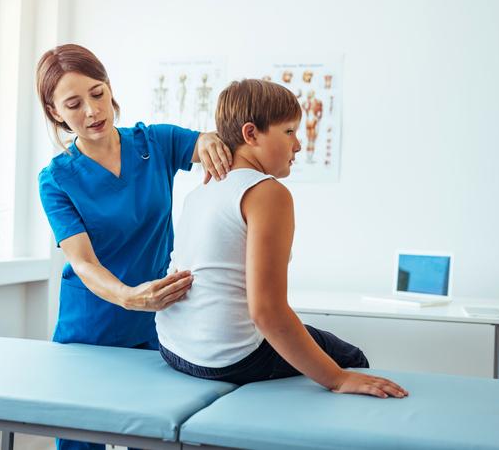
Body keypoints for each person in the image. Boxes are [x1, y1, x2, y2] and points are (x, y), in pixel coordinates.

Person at [156, 80, 408, 399]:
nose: (298, 145)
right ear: (251, 134)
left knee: (311, 338)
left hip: (174, 348)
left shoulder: (199, 191)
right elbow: (267, 312)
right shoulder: (267, 193)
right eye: (289, 132)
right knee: (350, 359)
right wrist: (338, 378)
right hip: (227, 359)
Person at [36, 44, 232, 450]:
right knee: (81, 439)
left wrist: (214, 141)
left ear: (109, 88)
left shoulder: (154, 143)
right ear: (55, 112)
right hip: (90, 328)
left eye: (97, 93)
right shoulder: (55, 179)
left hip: (158, 323)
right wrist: (127, 296)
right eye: (73, 104)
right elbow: (83, 262)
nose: (91, 111)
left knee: (151, 436)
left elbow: (204, 144)